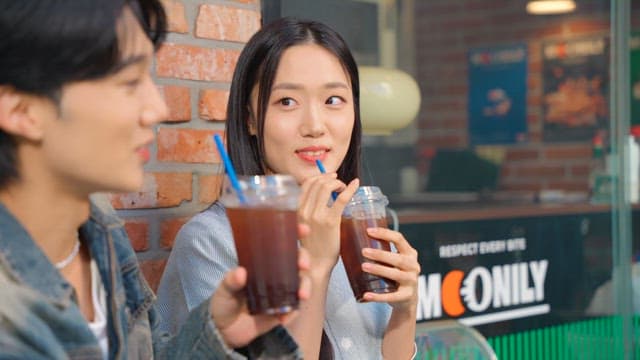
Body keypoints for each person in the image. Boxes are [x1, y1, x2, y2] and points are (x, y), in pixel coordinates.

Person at [0, 1, 312, 358]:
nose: (158, 109)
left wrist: (216, 334)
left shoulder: (101, 233)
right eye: (130, 82)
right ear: (22, 109)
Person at [157, 17, 420, 359]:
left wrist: (406, 307)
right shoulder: (212, 241)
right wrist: (316, 263)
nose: (314, 126)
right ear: (250, 119)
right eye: (287, 102)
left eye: (333, 100)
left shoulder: (357, 224)